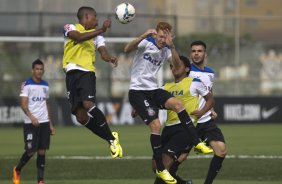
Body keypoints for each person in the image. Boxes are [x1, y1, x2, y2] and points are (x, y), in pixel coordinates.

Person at [125, 22, 212, 184]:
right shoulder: (146, 43)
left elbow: (179, 67)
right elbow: (127, 49)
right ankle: (161, 168)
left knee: (178, 104)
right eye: (161, 36)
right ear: (155, 34)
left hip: (152, 90)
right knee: (157, 126)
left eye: (166, 36)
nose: (163, 39)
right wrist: (143, 36)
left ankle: (197, 143)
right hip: (138, 90)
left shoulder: (166, 50)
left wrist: (172, 47)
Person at [62, 6, 122, 158]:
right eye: (95, 17)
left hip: (86, 73)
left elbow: (103, 52)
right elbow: (78, 37)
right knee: (81, 117)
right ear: (86, 16)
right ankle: (111, 138)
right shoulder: (70, 27)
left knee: (88, 105)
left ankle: (111, 140)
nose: (97, 20)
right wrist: (102, 29)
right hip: (70, 75)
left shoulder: (97, 36)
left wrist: (109, 58)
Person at [152, 55, 215, 184]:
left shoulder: (194, 82)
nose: (173, 67)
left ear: (187, 69)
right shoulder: (166, 87)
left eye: (177, 65)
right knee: (155, 166)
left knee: (164, 166)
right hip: (168, 129)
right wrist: (138, 109)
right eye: (171, 65)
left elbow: (210, 99)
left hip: (184, 129)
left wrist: (202, 112)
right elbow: (152, 99)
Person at [188, 40, 227, 184]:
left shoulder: (210, 72)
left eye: (199, 51)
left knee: (221, 150)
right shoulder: (186, 71)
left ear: (205, 54)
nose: (196, 53)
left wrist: (211, 108)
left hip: (205, 119)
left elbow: (209, 92)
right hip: (189, 122)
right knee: (177, 159)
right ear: (190, 54)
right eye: (193, 51)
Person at [13, 59, 56, 184]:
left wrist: (50, 124)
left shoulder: (45, 85)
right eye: (37, 69)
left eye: (41, 69)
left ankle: (40, 181)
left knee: (42, 151)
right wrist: (31, 117)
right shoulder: (26, 84)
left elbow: (46, 104)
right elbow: (23, 104)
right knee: (31, 151)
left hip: (44, 122)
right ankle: (17, 169)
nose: (39, 71)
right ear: (33, 70)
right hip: (30, 123)